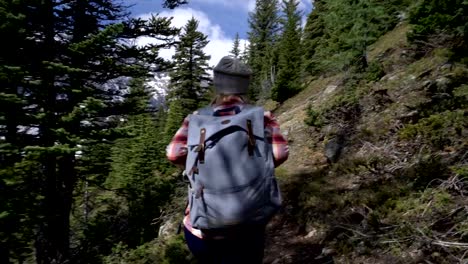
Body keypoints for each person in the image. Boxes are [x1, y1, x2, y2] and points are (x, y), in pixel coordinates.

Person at [166, 56, 289, 264]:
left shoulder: (195, 118)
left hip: (202, 230)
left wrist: (195, 166)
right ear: (244, 85)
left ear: (217, 84)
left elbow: (173, 153)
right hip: (249, 226)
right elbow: (280, 154)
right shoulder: (262, 116)